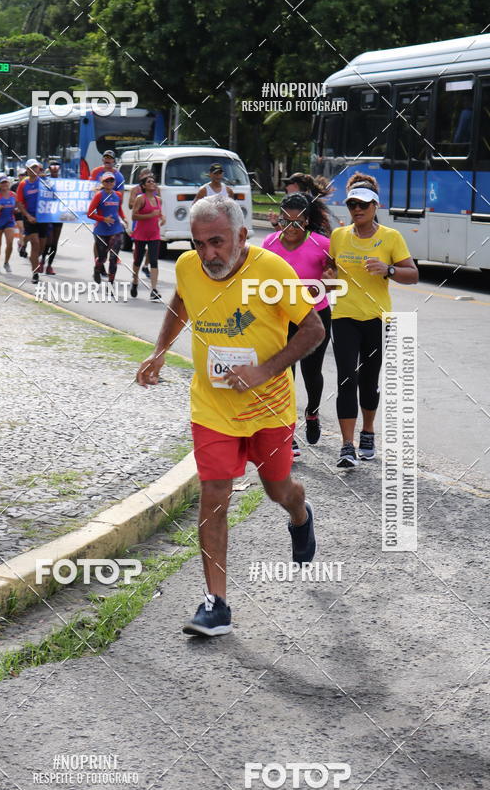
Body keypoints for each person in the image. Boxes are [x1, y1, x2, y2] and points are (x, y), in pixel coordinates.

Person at [136, 196, 324, 637]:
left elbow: (313, 329)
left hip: (268, 408)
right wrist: (159, 352)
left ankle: (300, 513)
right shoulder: (188, 266)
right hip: (213, 407)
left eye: (217, 242)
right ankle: (215, 604)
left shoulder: (273, 270)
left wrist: (263, 371)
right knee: (214, 494)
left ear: (242, 235)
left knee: (278, 489)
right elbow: (181, 302)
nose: (208, 254)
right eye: (199, 244)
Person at [324, 172, 418, 468]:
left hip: (376, 318)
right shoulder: (339, 236)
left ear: (376, 205)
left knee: (368, 379)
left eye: (363, 204)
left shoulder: (390, 237)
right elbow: (330, 270)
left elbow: (413, 275)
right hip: (343, 316)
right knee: (346, 379)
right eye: (352, 204)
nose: (357, 209)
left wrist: (388, 270)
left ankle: (367, 432)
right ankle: (347, 446)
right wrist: (329, 277)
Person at [263, 192, 334, 454]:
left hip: (315, 318)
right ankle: (287, 430)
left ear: (305, 221)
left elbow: (337, 277)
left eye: (297, 222)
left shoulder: (322, 244)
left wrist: (329, 280)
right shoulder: (270, 243)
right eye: (285, 221)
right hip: (282, 319)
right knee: (285, 375)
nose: (290, 228)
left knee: (311, 373)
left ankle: (312, 413)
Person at [87, 171, 128, 288]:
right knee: (102, 257)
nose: (109, 183)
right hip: (101, 230)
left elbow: (118, 209)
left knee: (113, 258)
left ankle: (110, 284)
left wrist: (124, 218)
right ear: (103, 182)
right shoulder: (99, 195)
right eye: (107, 181)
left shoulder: (118, 195)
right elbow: (90, 214)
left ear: (114, 183)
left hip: (116, 229)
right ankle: (97, 269)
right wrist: (103, 219)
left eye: (111, 181)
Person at [131, 173, 165, 301]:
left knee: (154, 261)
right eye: (149, 182)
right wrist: (150, 215)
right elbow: (134, 216)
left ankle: (154, 290)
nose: (153, 183)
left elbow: (159, 213)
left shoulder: (158, 199)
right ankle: (135, 281)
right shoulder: (141, 199)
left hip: (154, 234)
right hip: (141, 234)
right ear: (144, 186)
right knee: (138, 260)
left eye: (153, 181)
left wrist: (163, 218)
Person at [16, 158, 48, 284]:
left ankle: (29, 252)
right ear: (27, 170)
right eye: (31, 168)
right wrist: (28, 216)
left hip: (43, 218)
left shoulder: (44, 182)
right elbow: (19, 203)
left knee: (41, 248)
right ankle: (35, 273)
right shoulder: (23, 184)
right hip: (30, 217)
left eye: (35, 167)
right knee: (35, 243)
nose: (34, 170)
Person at [129, 168, 161, 280]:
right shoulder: (135, 190)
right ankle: (136, 270)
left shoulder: (156, 189)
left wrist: (161, 216)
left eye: (150, 175)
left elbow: (159, 204)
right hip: (139, 222)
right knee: (138, 251)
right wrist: (142, 202)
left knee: (152, 249)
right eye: (145, 175)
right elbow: (130, 205)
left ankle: (146, 266)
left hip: (153, 223)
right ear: (140, 178)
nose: (149, 178)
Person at [40, 160, 63, 276]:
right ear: (49, 168)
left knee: (54, 242)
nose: (55, 168)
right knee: (48, 241)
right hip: (48, 214)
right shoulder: (45, 181)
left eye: (57, 166)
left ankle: (49, 266)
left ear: (59, 168)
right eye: (52, 166)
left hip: (58, 215)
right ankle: (42, 261)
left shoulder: (63, 183)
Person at [12, 169, 27, 257]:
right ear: (18, 176)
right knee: (21, 228)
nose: (22, 176)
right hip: (17, 210)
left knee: (26, 230)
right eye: (21, 175)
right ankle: (22, 246)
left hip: (26, 211)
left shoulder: (28, 185)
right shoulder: (14, 186)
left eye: (24, 175)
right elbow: (10, 197)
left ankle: (21, 243)